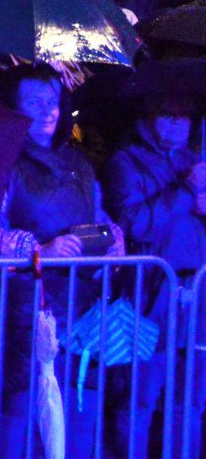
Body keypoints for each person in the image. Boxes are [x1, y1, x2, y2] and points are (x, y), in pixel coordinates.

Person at [0, 66, 125, 459]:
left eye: (52, 101)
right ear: (13, 107)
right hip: (20, 312)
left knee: (78, 407)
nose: (48, 110)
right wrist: (40, 250)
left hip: (81, 306)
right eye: (34, 102)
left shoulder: (81, 164)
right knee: (18, 412)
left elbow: (99, 217)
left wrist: (112, 243)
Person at [101, 95, 206, 456]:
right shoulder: (124, 162)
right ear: (146, 116)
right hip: (149, 295)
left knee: (188, 399)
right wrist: (188, 191)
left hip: (196, 297)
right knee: (138, 398)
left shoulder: (193, 162)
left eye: (185, 115)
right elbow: (134, 224)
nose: (178, 122)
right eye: (168, 112)